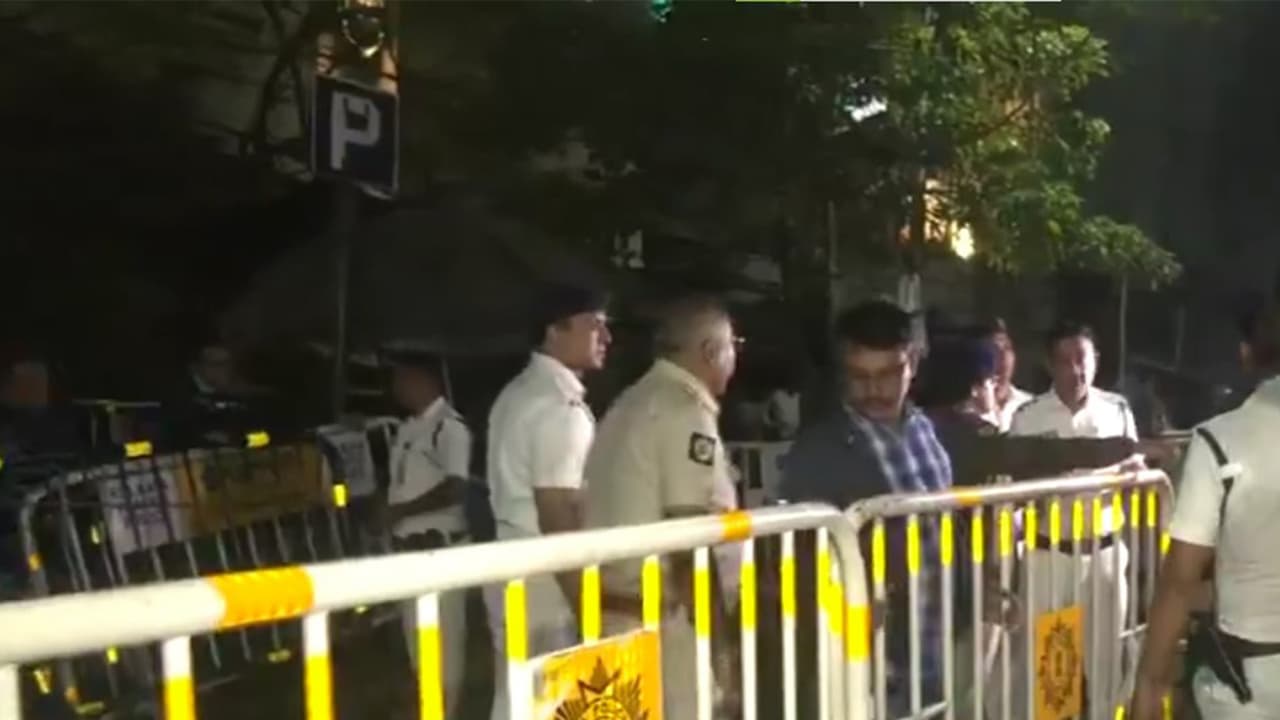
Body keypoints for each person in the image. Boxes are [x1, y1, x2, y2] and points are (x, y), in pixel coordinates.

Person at [780, 299, 952, 718]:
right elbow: (796, 560)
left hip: (937, 643)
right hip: (872, 658)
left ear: (911, 363)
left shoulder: (929, 432)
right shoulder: (819, 451)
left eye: (888, 375)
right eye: (859, 377)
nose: (874, 390)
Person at [583, 294, 740, 717]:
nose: (734, 359)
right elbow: (689, 538)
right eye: (732, 347)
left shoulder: (630, 403)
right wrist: (720, 648)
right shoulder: (683, 409)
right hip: (668, 621)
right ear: (711, 351)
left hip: (620, 612)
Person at [1131, 302, 1280, 719]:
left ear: (1246, 355)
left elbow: (1179, 582)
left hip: (1248, 689)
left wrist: (1148, 688)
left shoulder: (1219, 442)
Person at [1000, 320, 1139, 720]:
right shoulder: (1029, 416)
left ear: (1095, 360)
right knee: (1049, 666)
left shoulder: (1117, 410)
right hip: (1049, 557)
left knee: (1106, 660)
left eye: (1082, 358)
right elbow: (1015, 488)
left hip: (1105, 553)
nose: (1075, 370)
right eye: (1064, 361)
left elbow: (1133, 473)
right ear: (1049, 364)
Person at [484, 281, 611, 720]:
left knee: (517, 701)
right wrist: (589, 610)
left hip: (514, 573)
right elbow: (558, 516)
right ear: (555, 331)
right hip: (547, 587)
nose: (606, 338)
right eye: (594, 326)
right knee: (546, 705)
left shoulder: (517, 393)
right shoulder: (558, 408)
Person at [383, 349, 471, 715]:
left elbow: (456, 487)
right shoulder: (407, 428)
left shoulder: (448, 427)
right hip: (408, 552)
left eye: (403, 379)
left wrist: (401, 510)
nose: (397, 387)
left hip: (439, 550)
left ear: (425, 381)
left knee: (444, 651)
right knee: (419, 651)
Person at [975, 317, 1032, 431]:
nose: (1003, 357)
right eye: (993, 349)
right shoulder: (961, 413)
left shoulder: (1031, 406)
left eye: (1007, 348)